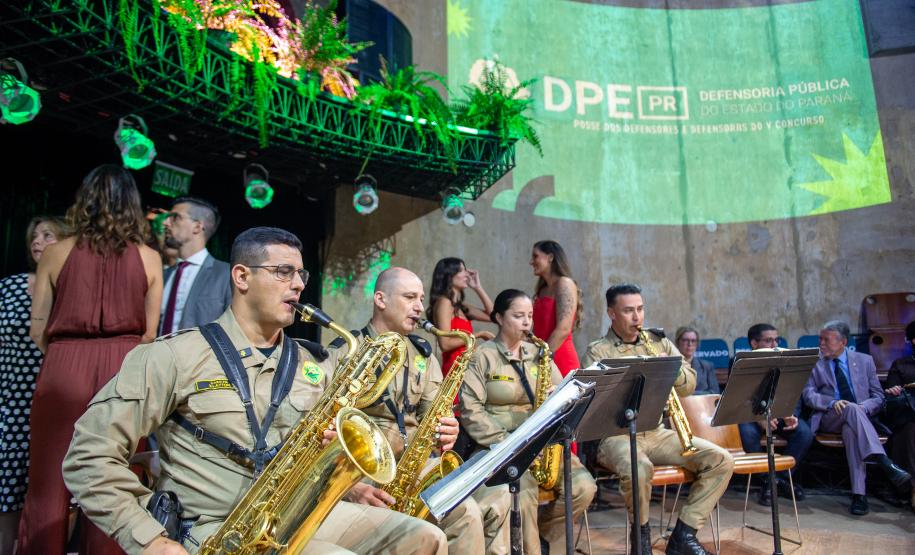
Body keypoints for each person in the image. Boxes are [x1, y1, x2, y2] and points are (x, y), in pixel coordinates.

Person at [62, 227, 448, 555]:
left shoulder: (312, 363)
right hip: (216, 528)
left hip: (294, 512)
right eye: (283, 272)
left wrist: (337, 465)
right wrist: (149, 540)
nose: (298, 284)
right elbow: (88, 457)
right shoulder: (173, 355)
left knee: (425, 537)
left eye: (301, 274)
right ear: (242, 277)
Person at [20, 164, 164, 554]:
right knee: (113, 479)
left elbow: (37, 328)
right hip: (124, 367)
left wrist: (66, 357)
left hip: (63, 365)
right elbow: (150, 333)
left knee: (49, 479)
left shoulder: (55, 252)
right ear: (133, 205)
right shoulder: (149, 257)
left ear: (83, 200)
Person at [328, 267, 509, 554]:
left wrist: (447, 429)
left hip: (414, 467)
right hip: (362, 474)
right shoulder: (346, 351)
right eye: (410, 297)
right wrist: (349, 487)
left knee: (467, 512)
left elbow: (433, 417)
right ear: (380, 299)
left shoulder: (424, 356)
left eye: (421, 298)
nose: (419, 307)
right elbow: (325, 430)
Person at [583, 283, 733, 555]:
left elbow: (688, 385)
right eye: (628, 311)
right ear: (611, 314)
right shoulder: (598, 351)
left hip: (656, 431)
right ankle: (641, 538)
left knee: (721, 460)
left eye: (640, 309)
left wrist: (671, 368)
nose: (637, 317)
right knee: (639, 468)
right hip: (615, 435)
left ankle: (683, 535)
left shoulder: (659, 342)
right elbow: (594, 403)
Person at [459, 289, 596, 555]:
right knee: (522, 494)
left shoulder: (540, 353)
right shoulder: (482, 356)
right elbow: (470, 409)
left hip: (542, 445)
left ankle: (541, 536)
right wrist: (508, 443)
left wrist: (559, 397)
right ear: (499, 318)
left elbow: (565, 393)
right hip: (500, 446)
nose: (526, 323)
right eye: (518, 316)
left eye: (530, 316)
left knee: (584, 487)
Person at [0, 216, 69, 554]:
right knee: (7, 487)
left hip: (53, 398)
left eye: (47, 235)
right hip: (10, 400)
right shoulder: (11, 286)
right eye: (34, 236)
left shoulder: (70, 291)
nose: (37, 241)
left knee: (45, 487)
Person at [802, 320, 912, 516]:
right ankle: (883, 461)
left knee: (851, 430)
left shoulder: (864, 360)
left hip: (859, 418)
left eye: (826, 340)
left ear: (843, 342)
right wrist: (831, 402)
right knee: (851, 410)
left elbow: (878, 396)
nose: (821, 344)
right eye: (820, 339)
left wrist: (863, 408)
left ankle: (859, 496)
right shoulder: (814, 362)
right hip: (830, 417)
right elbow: (808, 395)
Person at [736, 323, 813, 506]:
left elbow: (793, 391)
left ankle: (779, 480)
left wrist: (789, 413)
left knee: (804, 433)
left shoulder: (786, 360)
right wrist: (759, 418)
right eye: (769, 340)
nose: (774, 344)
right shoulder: (740, 361)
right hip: (752, 416)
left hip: (780, 413)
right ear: (754, 343)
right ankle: (767, 480)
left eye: (776, 340)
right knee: (746, 434)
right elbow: (740, 397)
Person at [159, 197, 232, 334]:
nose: (166, 222)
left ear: (197, 227)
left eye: (175, 217)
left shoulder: (226, 275)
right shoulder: (164, 274)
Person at [427, 257, 495, 378]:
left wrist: (478, 287)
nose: (467, 274)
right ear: (449, 275)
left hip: (469, 369)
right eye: (461, 270)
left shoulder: (461, 307)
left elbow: (494, 316)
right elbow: (445, 344)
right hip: (455, 372)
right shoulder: (444, 302)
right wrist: (478, 335)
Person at [530, 240, 582, 376]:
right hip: (543, 358)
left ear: (550, 257)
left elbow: (564, 328)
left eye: (535, 256)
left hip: (559, 358)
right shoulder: (542, 290)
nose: (531, 262)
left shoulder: (565, 283)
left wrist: (542, 358)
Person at [884, 320, 915, 510]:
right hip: (908, 414)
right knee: (910, 430)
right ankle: (911, 487)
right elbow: (890, 398)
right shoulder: (901, 365)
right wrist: (894, 391)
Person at [675, 327, 718, 395]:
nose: (690, 344)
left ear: (697, 344)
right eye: (685, 340)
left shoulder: (707, 366)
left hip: (702, 402)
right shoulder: (671, 367)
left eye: (693, 341)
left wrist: (690, 395)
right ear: (677, 342)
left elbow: (715, 392)